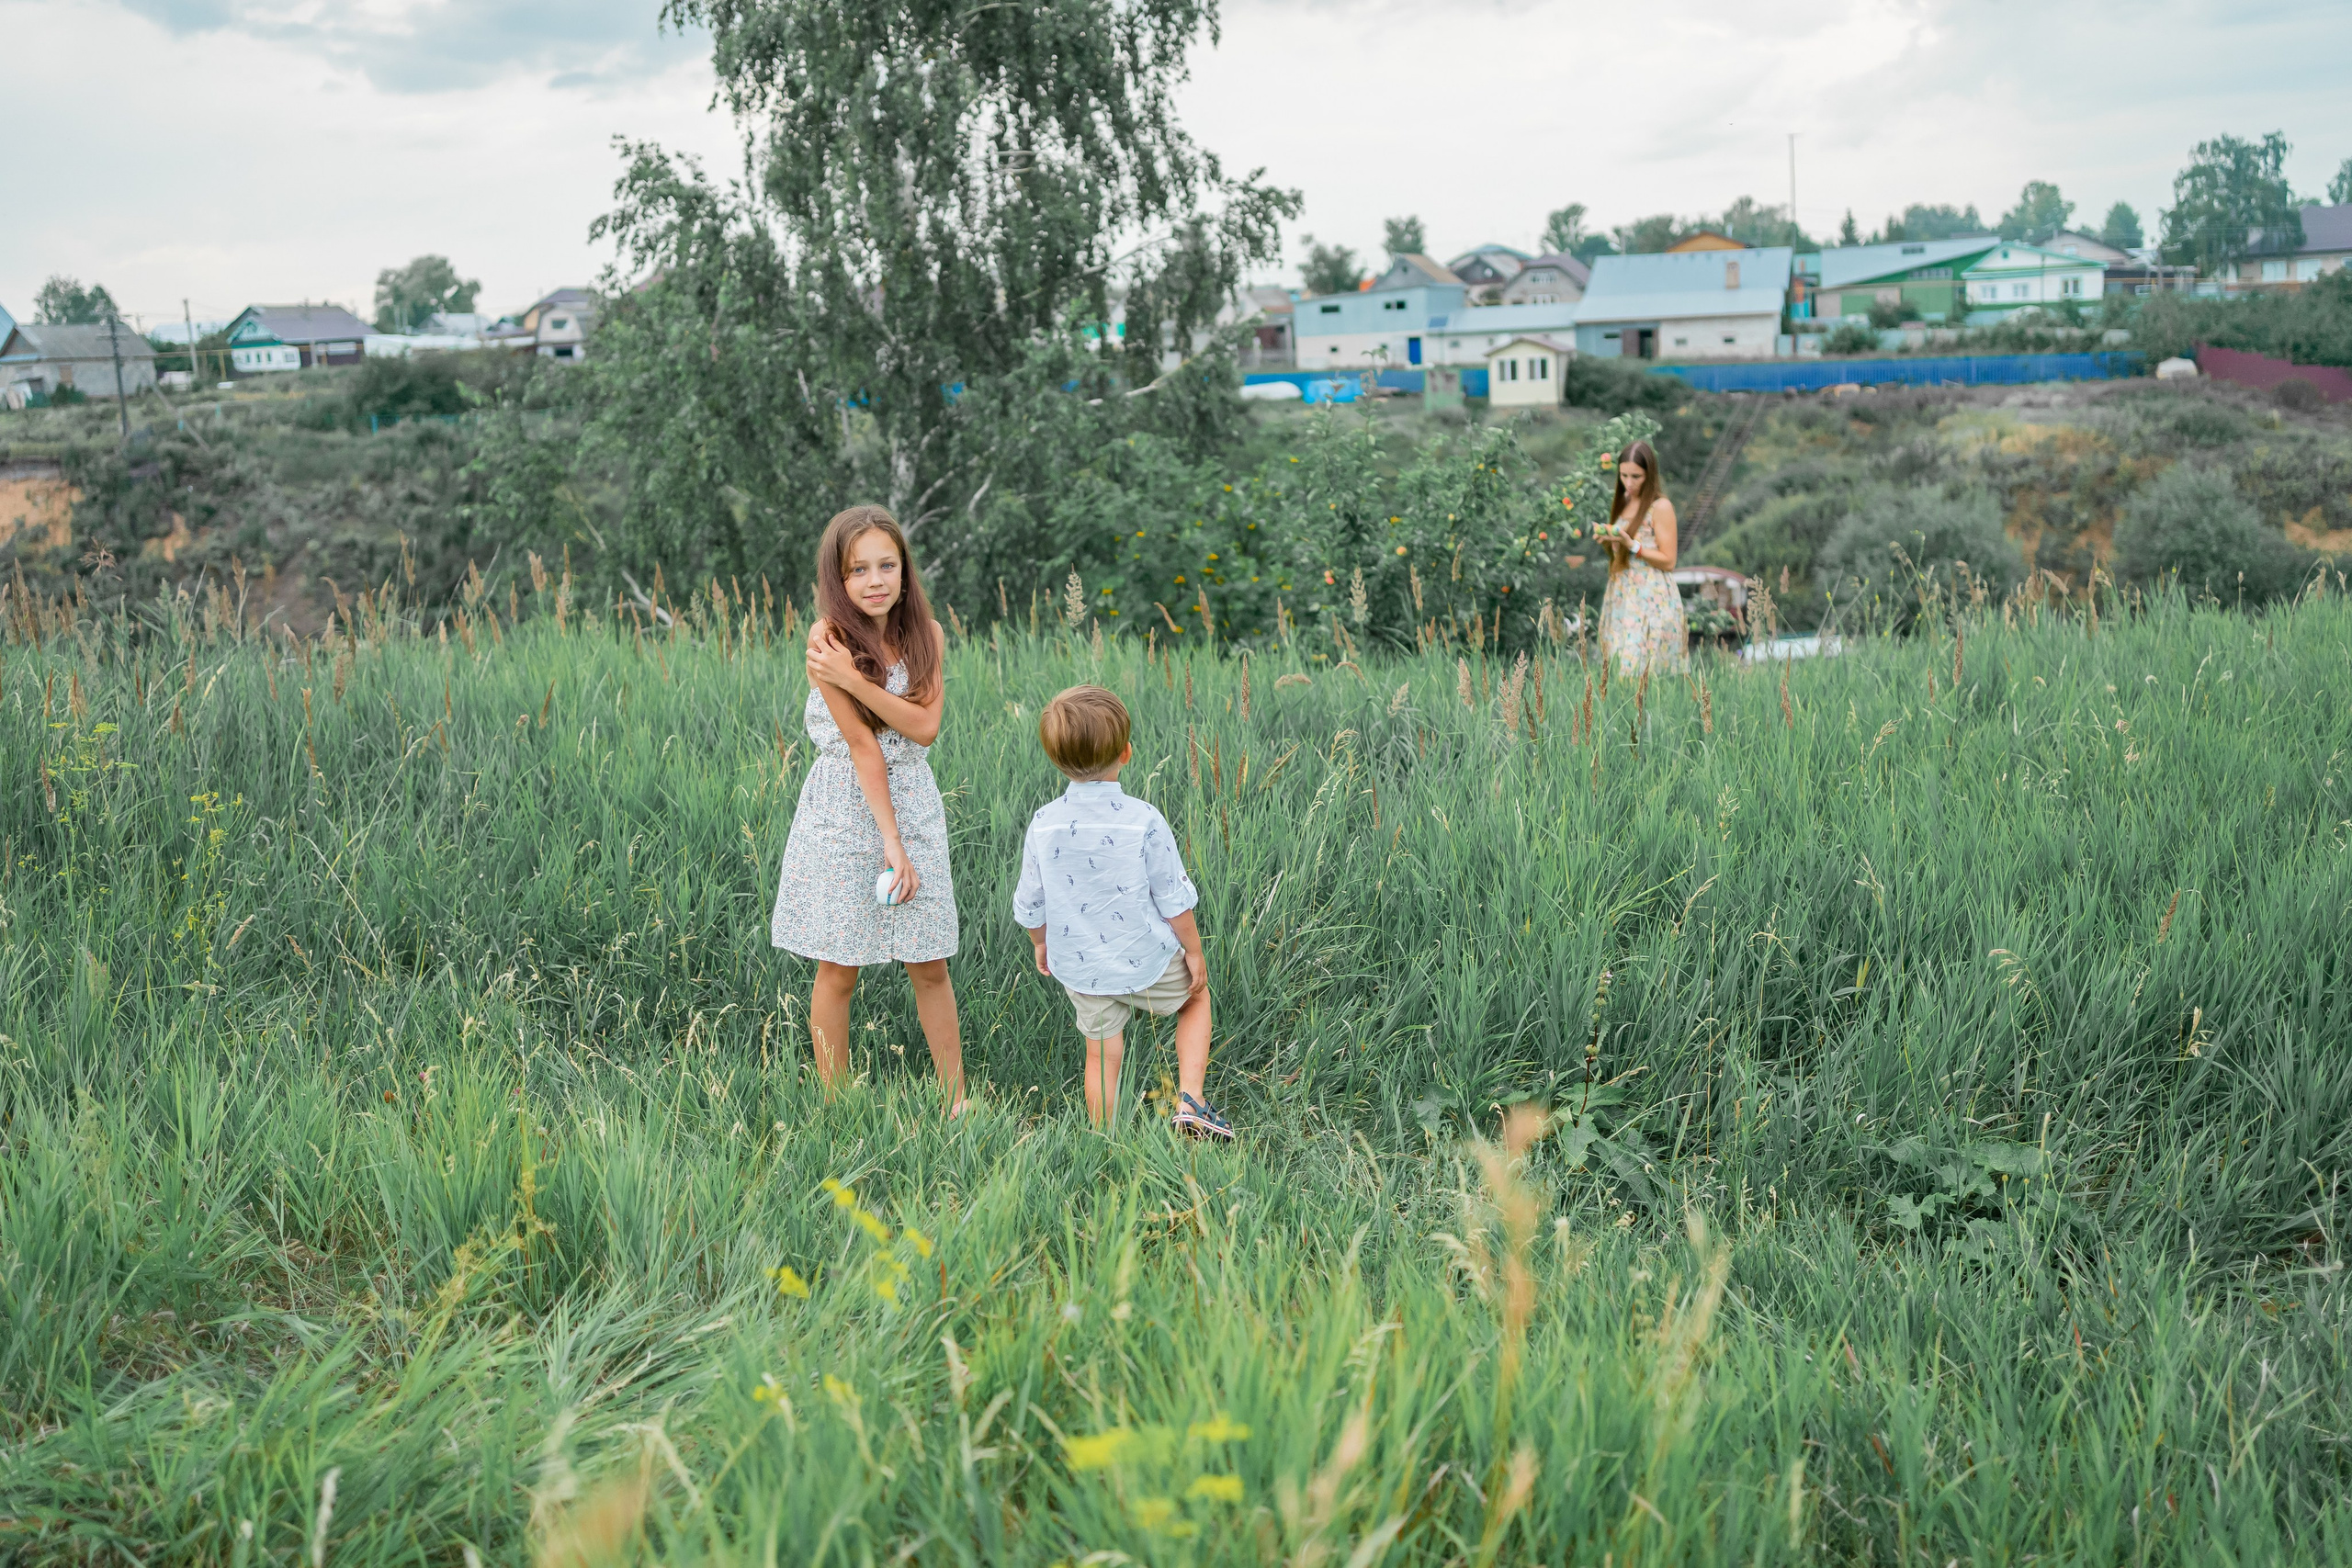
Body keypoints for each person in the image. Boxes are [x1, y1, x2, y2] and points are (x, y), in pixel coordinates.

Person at [771, 504, 965, 1113]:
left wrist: (855, 682)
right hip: (844, 805)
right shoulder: (827, 638)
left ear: (905, 571)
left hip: (912, 799)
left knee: (928, 958)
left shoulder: (926, 635)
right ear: (839, 577)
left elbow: (924, 727)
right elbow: (862, 745)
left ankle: (955, 1098)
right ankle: (835, 1102)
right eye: (859, 569)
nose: (875, 579)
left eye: (888, 564)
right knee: (840, 964)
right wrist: (890, 843)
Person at [1012, 685, 1234, 1141]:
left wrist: (1041, 943)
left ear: (1056, 761)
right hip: (1146, 956)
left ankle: (1104, 1138)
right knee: (1195, 998)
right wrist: (1193, 953)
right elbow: (1174, 898)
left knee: (1100, 1053)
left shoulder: (1044, 822)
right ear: (1127, 753)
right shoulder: (1144, 819)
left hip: (1082, 965)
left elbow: (1031, 902)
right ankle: (1191, 1101)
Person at [1595, 438, 1690, 677]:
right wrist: (1609, 541)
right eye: (1623, 475)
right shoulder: (1624, 502)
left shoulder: (1660, 506)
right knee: (1617, 670)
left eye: (1635, 476)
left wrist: (1633, 546)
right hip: (1622, 593)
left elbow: (1669, 560)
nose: (1628, 483)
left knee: (1640, 672)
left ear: (1650, 474)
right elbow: (1620, 554)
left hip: (1649, 595)